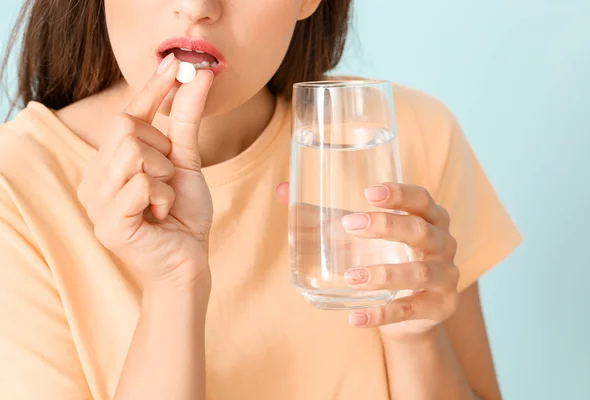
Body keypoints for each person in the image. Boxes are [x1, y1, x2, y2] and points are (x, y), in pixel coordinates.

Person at [0, 1, 521, 399]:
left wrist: (414, 338)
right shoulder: (16, 189)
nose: (199, 6)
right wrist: (174, 288)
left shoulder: (399, 137)